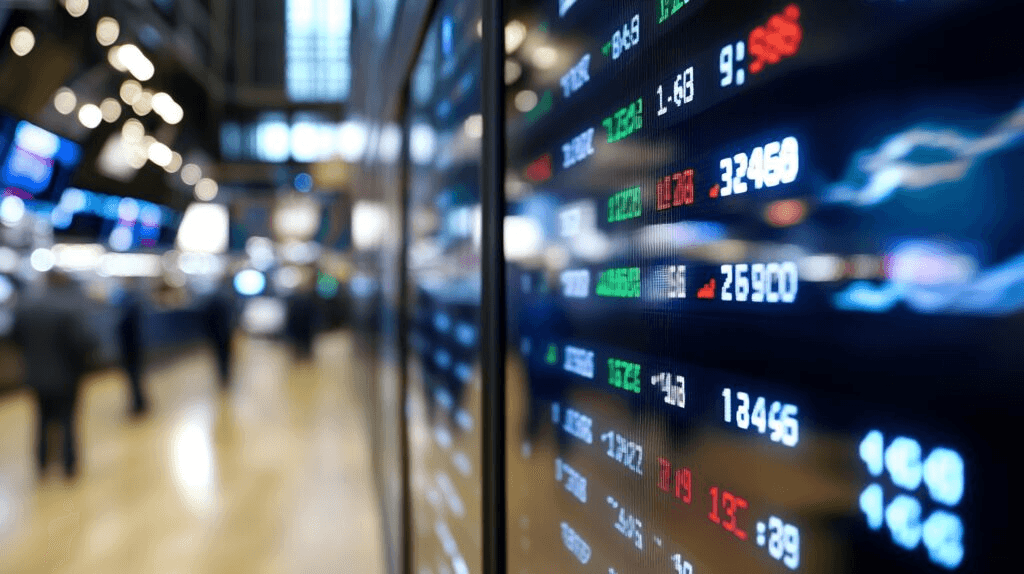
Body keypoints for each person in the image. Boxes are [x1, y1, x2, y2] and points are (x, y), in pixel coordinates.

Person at [12, 270, 97, 479]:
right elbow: (82, 343)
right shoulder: (68, 308)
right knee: (67, 420)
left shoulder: (26, 307)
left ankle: (42, 463)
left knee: (41, 419)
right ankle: (69, 465)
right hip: (66, 376)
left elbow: (16, 338)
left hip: (36, 376)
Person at [117, 284, 148, 415]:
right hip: (135, 349)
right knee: (136, 377)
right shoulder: (135, 307)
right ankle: (140, 402)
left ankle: (139, 403)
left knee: (135, 377)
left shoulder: (126, 316)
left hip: (131, 351)